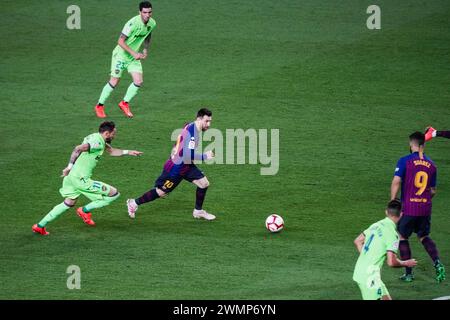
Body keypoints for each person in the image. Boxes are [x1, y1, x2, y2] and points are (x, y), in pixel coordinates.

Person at [32, 121, 143, 235]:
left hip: (71, 178)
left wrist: (129, 152)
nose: (114, 136)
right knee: (114, 194)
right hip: (81, 179)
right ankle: (84, 210)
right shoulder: (97, 143)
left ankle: (39, 226)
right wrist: (69, 166)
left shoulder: (96, 137)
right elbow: (77, 149)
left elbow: (112, 151)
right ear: (106, 133)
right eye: (113, 133)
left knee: (69, 202)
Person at [127, 108, 216, 220]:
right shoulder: (193, 134)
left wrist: (176, 150)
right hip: (175, 169)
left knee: (204, 183)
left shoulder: (190, 125)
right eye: (206, 121)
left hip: (186, 166)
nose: (209, 124)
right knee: (161, 192)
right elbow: (187, 155)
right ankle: (133, 203)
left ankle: (198, 211)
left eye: (210, 121)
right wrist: (205, 156)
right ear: (199, 119)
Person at [391, 131, 445, 282]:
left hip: (408, 208)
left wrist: (393, 200)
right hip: (425, 208)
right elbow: (433, 190)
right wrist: (423, 199)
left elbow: (396, 181)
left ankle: (409, 274)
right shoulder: (432, 164)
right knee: (424, 236)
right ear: (423, 145)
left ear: (411, 144)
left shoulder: (404, 161)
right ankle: (438, 263)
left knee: (402, 237)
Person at [94, 1, 156, 118]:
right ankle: (99, 106)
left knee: (138, 81)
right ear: (139, 12)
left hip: (133, 57)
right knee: (114, 81)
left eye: (149, 12)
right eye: (145, 12)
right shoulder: (132, 24)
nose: (147, 15)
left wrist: (145, 49)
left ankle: (124, 103)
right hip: (121, 55)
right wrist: (133, 53)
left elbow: (148, 34)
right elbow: (120, 41)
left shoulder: (152, 23)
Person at [353, 199, 417, 300]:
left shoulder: (376, 225)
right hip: (369, 278)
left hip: (361, 271)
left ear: (386, 212)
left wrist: (368, 257)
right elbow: (391, 262)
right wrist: (406, 263)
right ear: (401, 214)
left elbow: (357, 241)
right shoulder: (393, 234)